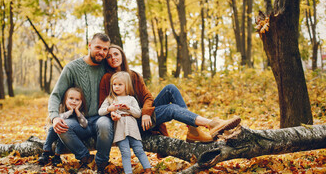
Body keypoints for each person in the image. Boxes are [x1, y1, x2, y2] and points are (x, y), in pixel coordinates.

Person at [99, 44, 241, 143]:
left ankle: (192, 130)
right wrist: (114, 113)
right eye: (109, 56)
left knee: (170, 88)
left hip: (143, 116)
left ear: (122, 55)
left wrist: (146, 112)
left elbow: (147, 97)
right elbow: (104, 104)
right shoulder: (107, 78)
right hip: (130, 121)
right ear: (107, 61)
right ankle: (211, 123)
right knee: (171, 109)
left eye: (116, 54)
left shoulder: (134, 75)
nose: (113, 58)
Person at [48, 33, 113, 174]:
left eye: (105, 49)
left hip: (101, 117)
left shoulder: (109, 67)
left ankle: (101, 166)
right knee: (62, 126)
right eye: (98, 47)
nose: (101, 52)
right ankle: (86, 159)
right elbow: (56, 95)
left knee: (105, 125)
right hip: (78, 120)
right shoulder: (72, 68)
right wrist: (54, 117)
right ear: (89, 46)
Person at [99, 72, 153, 174]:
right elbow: (100, 111)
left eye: (120, 84)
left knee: (139, 149)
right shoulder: (110, 99)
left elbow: (138, 114)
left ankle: (148, 171)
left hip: (132, 127)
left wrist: (129, 109)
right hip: (119, 128)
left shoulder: (131, 99)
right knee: (125, 153)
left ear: (126, 86)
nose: (117, 87)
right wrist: (110, 108)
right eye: (114, 84)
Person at [38, 87, 88, 166]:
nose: (74, 101)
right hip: (56, 130)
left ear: (81, 101)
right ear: (65, 99)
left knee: (64, 129)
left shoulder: (80, 111)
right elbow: (58, 119)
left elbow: (84, 124)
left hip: (71, 134)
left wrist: (77, 112)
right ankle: (45, 152)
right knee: (55, 127)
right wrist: (70, 111)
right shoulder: (61, 107)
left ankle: (57, 156)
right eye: (71, 98)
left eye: (77, 99)